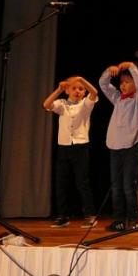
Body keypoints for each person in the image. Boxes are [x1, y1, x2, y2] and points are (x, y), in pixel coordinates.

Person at [43, 76, 98, 228]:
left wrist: (81, 79)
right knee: (61, 182)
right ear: (67, 90)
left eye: (81, 89)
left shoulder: (86, 104)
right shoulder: (62, 104)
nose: (77, 91)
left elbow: (94, 92)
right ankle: (63, 216)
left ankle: (90, 215)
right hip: (64, 146)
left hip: (80, 146)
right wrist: (59, 89)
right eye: (74, 88)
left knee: (82, 182)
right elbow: (46, 104)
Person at [99, 61, 138, 231]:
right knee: (116, 186)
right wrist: (109, 71)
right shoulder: (118, 99)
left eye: (127, 82)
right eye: (122, 82)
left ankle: (133, 219)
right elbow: (103, 84)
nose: (123, 85)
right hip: (115, 147)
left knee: (128, 185)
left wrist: (132, 67)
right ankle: (118, 220)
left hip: (130, 147)